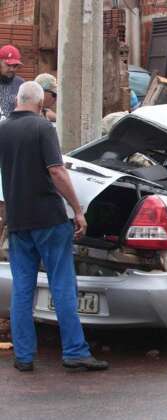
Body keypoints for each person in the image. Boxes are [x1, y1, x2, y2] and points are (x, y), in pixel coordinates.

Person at [0, 82, 108, 372]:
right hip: (49, 219)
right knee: (62, 284)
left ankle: (23, 356)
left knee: (22, 289)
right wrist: (77, 209)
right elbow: (57, 171)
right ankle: (74, 351)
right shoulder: (43, 128)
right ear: (39, 103)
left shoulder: (3, 129)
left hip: (18, 221)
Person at [0, 44, 24, 121]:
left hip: (13, 130)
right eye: (8, 65)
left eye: (15, 66)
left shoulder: (21, 84)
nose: (12, 69)